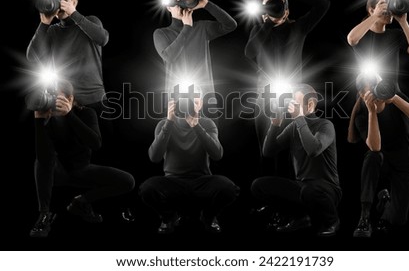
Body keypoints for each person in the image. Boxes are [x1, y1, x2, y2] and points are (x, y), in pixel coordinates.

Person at [28, 79, 135, 238]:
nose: (51, 103)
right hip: (57, 172)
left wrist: (69, 115)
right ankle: (44, 215)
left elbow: (95, 143)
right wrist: (38, 121)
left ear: (70, 98)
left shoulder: (86, 113)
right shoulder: (46, 118)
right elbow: (44, 157)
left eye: (56, 98)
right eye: (49, 98)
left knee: (128, 181)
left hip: (81, 169)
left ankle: (80, 202)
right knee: (43, 160)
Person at [244, 0, 330, 177]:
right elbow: (249, 53)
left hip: (292, 98)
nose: (272, 8)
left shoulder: (298, 27)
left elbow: (323, 3)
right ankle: (267, 195)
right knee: (266, 148)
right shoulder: (259, 31)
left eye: (276, 5)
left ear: (287, 10)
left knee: (292, 149)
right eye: (268, 5)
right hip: (265, 98)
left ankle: (290, 193)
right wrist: (268, 21)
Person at [139, 86, 239, 234]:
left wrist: (196, 125)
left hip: (202, 180)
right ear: (174, 100)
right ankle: (168, 217)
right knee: (147, 189)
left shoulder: (207, 123)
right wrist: (169, 122)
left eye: (194, 96)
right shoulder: (163, 124)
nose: (188, 100)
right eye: (184, 96)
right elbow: (154, 157)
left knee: (229, 188)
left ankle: (209, 216)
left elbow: (217, 154)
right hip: (173, 181)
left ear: (201, 103)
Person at [251, 84, 341, 236]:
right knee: (258, 185)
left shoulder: (325, 125)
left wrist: (299, 118)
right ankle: (300, 217)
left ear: (310, 104)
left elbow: (313, 150)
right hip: (302, 187)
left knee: (310, 190)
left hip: (326, 189)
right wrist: (274, 125)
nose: (292, 106)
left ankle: (332, 221)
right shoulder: (294, 127)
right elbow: (268, 152)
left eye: (297, 103)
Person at [348, 73, 409, 237]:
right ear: (362, 95)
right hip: (382, 161)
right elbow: (375, 147)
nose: (375, 96)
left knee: (398, 220)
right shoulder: (362, 115)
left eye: (376, 89)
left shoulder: (395, 98)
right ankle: (364, 216)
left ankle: (385, 202)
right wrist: (372, 113)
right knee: (372, 156)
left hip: (405, 160)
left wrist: (395, 99)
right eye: (368, 93)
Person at [153, 0, 237, 114]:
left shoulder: (201, 28)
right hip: (176, 102)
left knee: (210, 133)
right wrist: (187, 27)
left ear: (190, 3)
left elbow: (230, 25)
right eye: (175, 2)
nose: (180, 6)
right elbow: (169, 57)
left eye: (183, 1)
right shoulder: (161, 33)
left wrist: (207, 4)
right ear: (168, 6)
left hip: (206, 100)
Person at [347, 0, 409, 92]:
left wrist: (403, 22)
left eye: (390, 4)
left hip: (393, 91)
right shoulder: (362, 33)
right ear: (371, 10)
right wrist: (375, 16)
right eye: (384, 4)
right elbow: (352, 39)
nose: (389, 9)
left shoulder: (396, 34)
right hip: (368, 92)